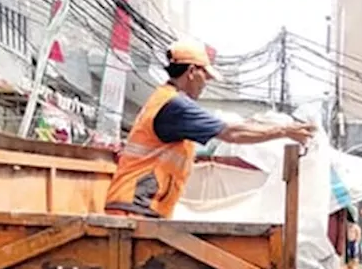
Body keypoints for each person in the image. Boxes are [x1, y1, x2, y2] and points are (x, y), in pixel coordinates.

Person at [104, 40, 315, 218]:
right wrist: (284, 131)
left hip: (138, 206)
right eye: (206, 76)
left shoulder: (166, 100)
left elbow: (234, 127)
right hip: (134, 208)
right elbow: (231, 133)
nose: (206, 84)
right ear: (192, 71)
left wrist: (277, 127)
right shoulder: (176, 106)